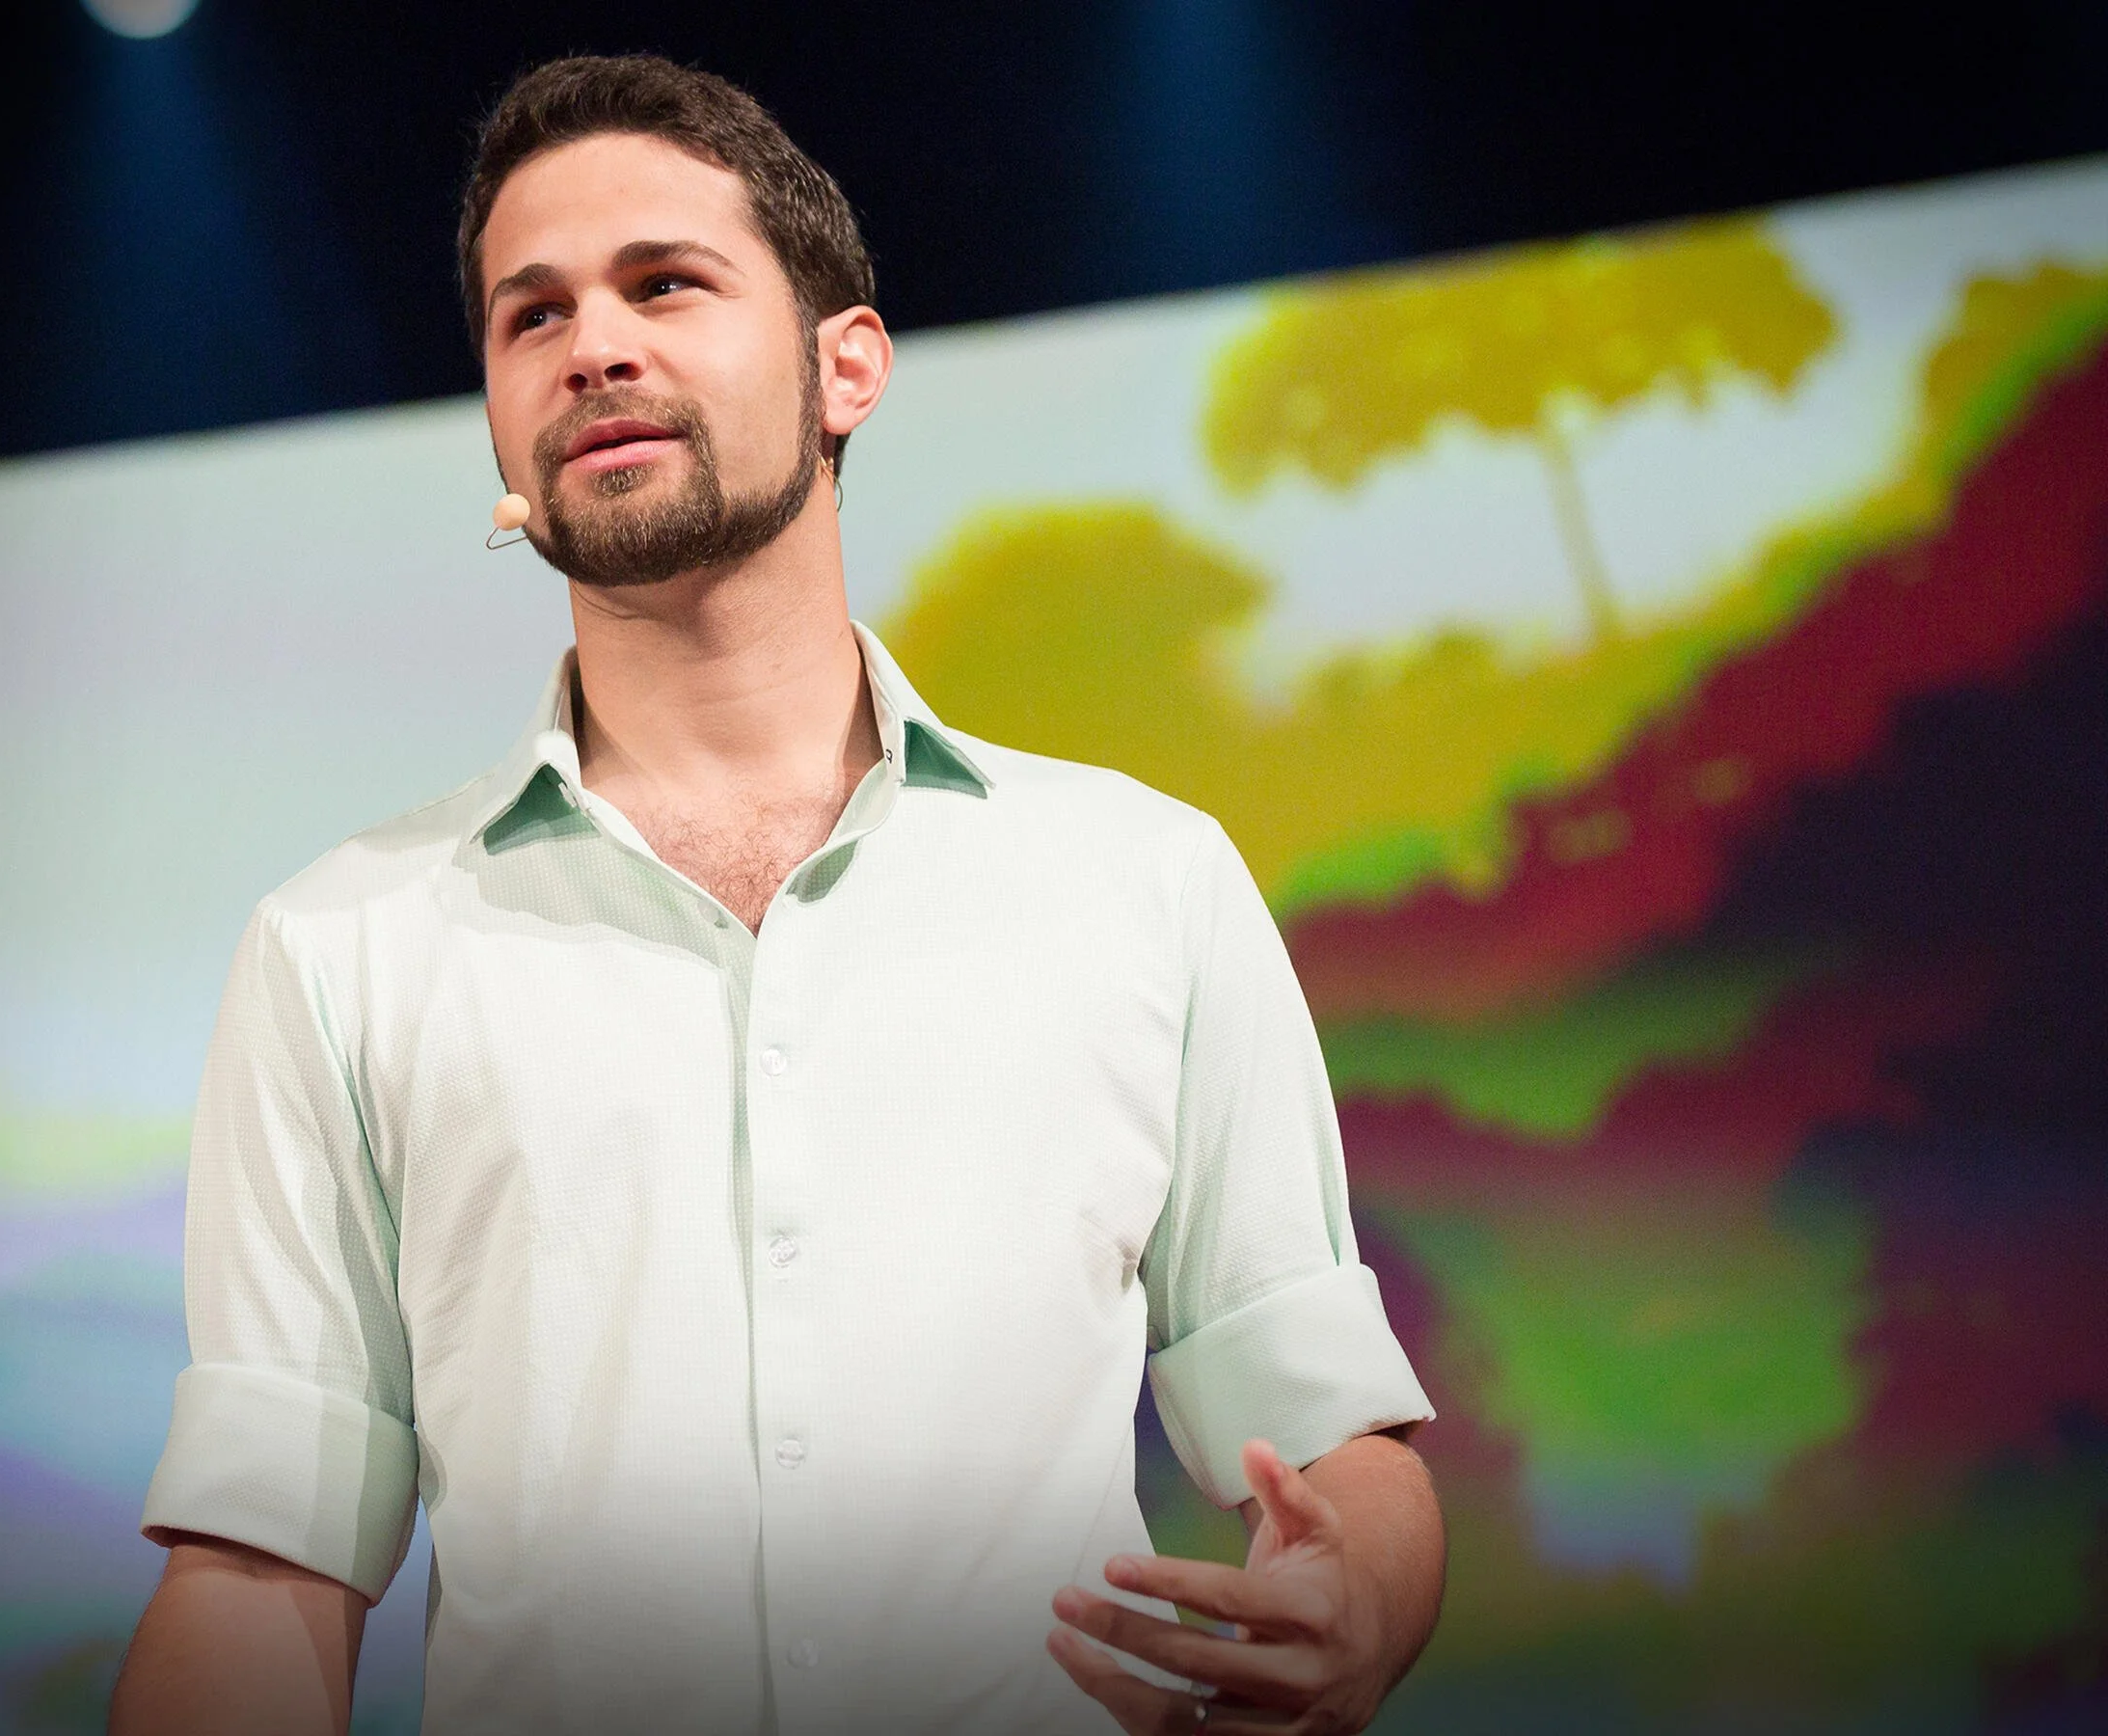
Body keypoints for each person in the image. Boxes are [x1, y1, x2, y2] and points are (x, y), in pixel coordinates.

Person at [108, 52, 1444, 1736]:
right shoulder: (342, 947)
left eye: (664, 284)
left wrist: (1355, 1607)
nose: (593, 345)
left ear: (846, 367)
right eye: (533, 317)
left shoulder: (1142, 881)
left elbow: (1335, 1437)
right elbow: (260, 1576)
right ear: (506, 439)